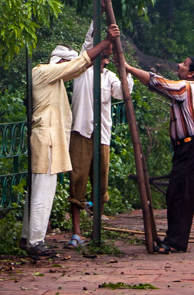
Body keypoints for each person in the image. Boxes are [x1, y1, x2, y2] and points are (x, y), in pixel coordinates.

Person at [21, 23, 120, 258]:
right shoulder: (44, 71)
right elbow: (79, 64)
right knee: (42, 193)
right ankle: (35, 242)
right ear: (61, 63)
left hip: (49, 140)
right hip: (46, 140)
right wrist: (105, 42)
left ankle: (28, 237)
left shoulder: (51, 79)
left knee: (36, 191)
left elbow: (78, 66)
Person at [124, 56, 194, 254]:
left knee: (181, 195)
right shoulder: (187, 89)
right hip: (185, 149)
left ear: (191, 73)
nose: (179, 65)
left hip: (191, 148)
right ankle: (173, 239)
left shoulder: (186, 88)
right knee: (175, 194)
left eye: (184, 64)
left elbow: (158, 82)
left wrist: (128, 68)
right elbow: (158, 86)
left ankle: (175, 242)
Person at [67, 21, 133, 248]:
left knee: (101, 183)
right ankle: (76, 232)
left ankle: (97, 230)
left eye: (109, 54)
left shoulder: (110, 77)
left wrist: (123, 67)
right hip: (82, 132)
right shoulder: (81, 71)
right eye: (103, 52)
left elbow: (123, 93)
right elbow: (88, 44)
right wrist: (102, 16)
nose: (105, 57)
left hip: (101, 135)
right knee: (77, 182)